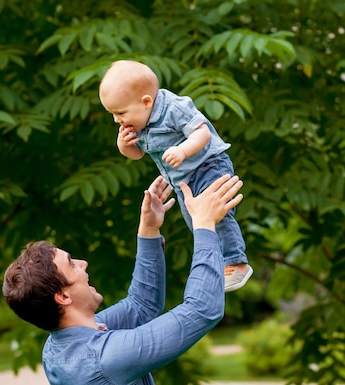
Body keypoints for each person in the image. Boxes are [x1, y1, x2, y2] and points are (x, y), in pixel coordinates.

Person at [3, 174, 244, 385]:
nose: (84, 263)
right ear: (63, 297)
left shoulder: (58, 347)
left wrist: (148, 229)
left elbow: (141, 306)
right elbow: (201, 310)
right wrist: (204, 225)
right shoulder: (104, 360)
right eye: (72, 265)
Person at [99, 60, 252, 291]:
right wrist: (124, 146)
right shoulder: (138, 120)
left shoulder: (174, 108)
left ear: (146, 102)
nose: (116, 119)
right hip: (182, 180)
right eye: (112, 114)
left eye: (120, 112)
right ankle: (218, 263)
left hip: (207, 165)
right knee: (197, 223)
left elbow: (202, 133)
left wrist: (183, 150)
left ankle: (236, 263)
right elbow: (138, 154)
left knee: (214, 216)